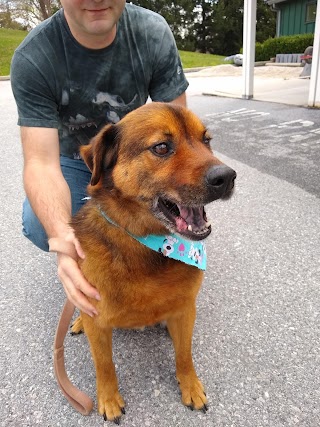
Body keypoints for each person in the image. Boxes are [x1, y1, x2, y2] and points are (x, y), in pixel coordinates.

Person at [11, 0, 189, 318]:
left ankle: (158, 276)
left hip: (133, 152)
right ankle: (91, 275)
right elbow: (40, 162)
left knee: (174, 199)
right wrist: (64, 244)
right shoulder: (34, 57)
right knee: (41, 225)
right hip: (73, 159)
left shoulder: (151, 32)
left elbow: (181, 134)